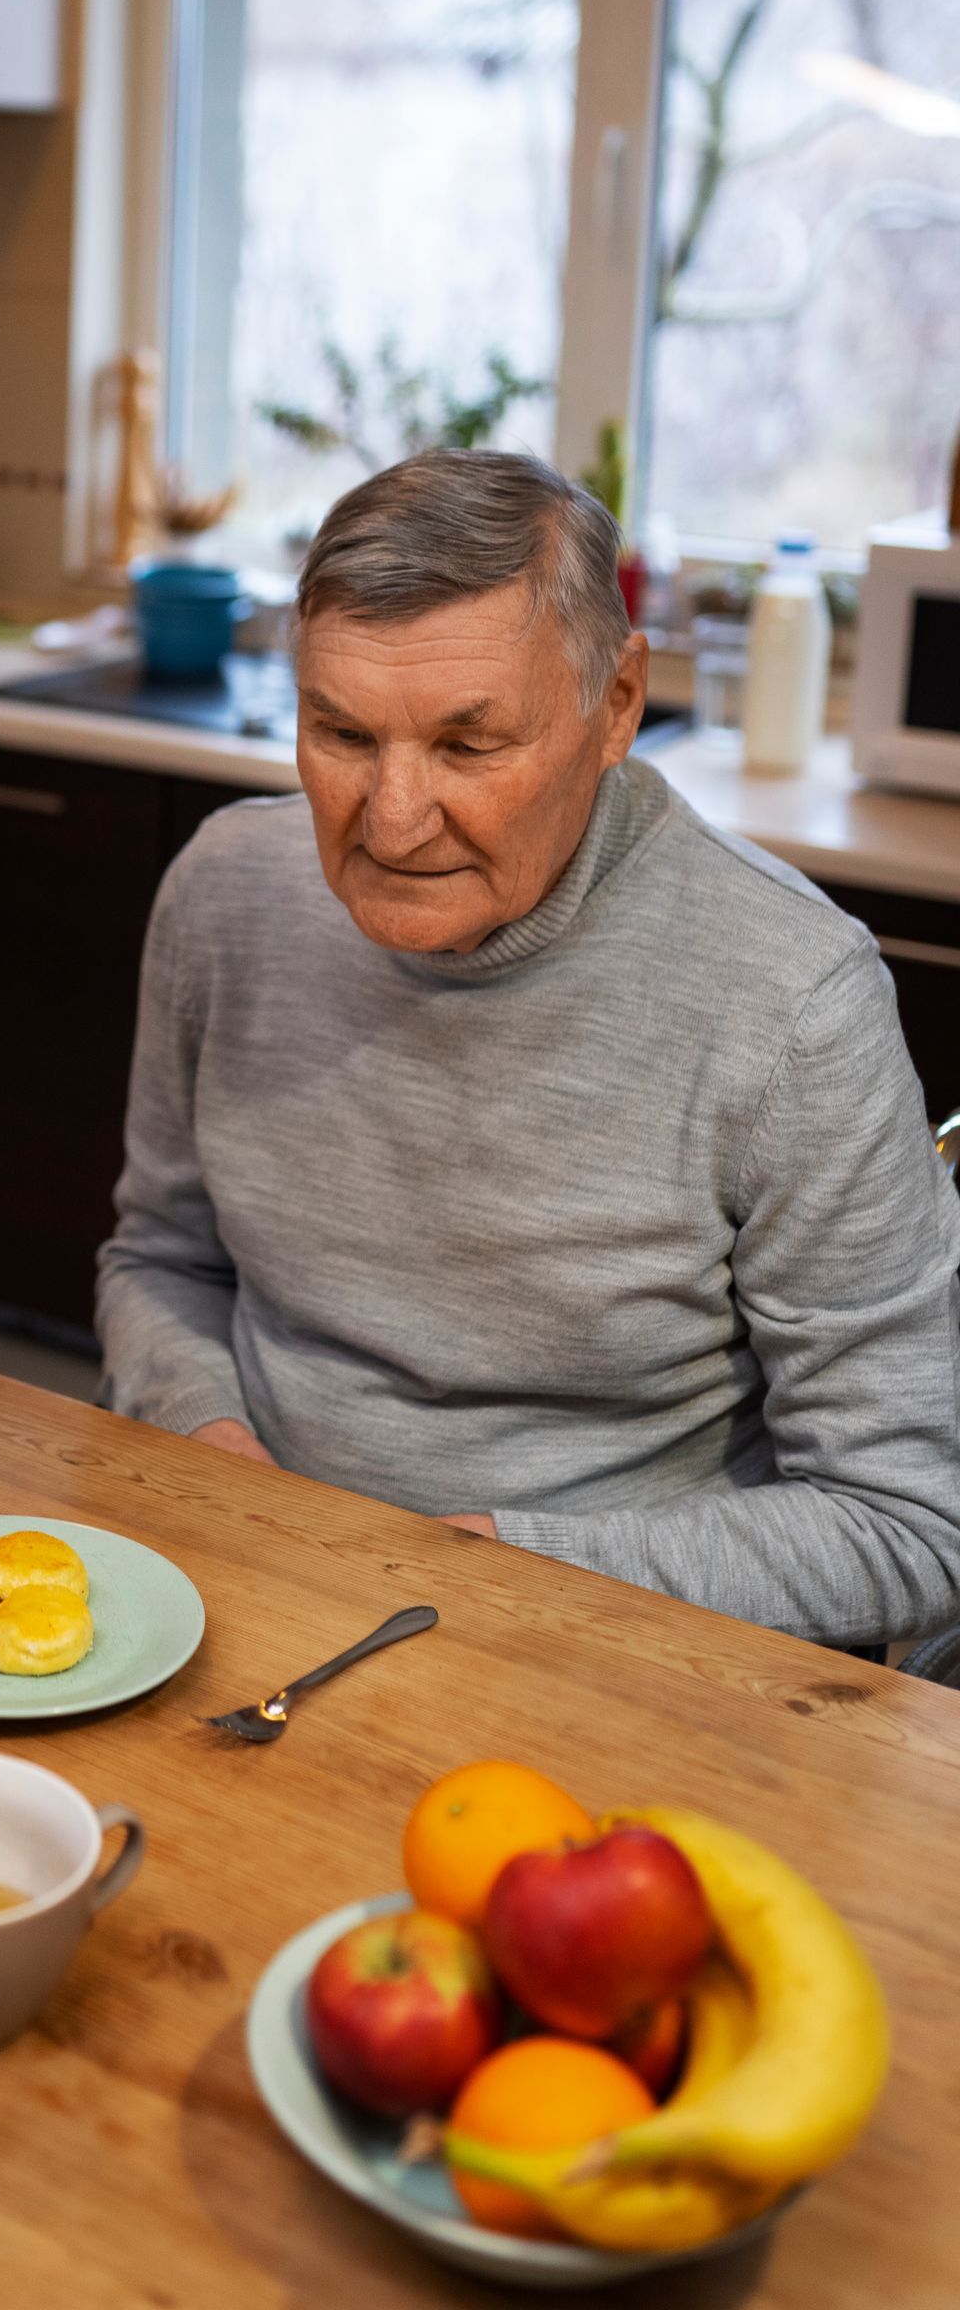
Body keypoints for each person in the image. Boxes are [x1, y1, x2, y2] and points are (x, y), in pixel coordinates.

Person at [98, 448, 960, 1650]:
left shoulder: (793, 1004)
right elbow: (163, 1261)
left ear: (614, 708)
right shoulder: (225, 892)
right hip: (253, 1574)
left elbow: (908, 1523)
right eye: (341, 733)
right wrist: (209, 1445)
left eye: (468, 746)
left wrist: (505, 1569)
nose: (391, 821)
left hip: (605, 1648)